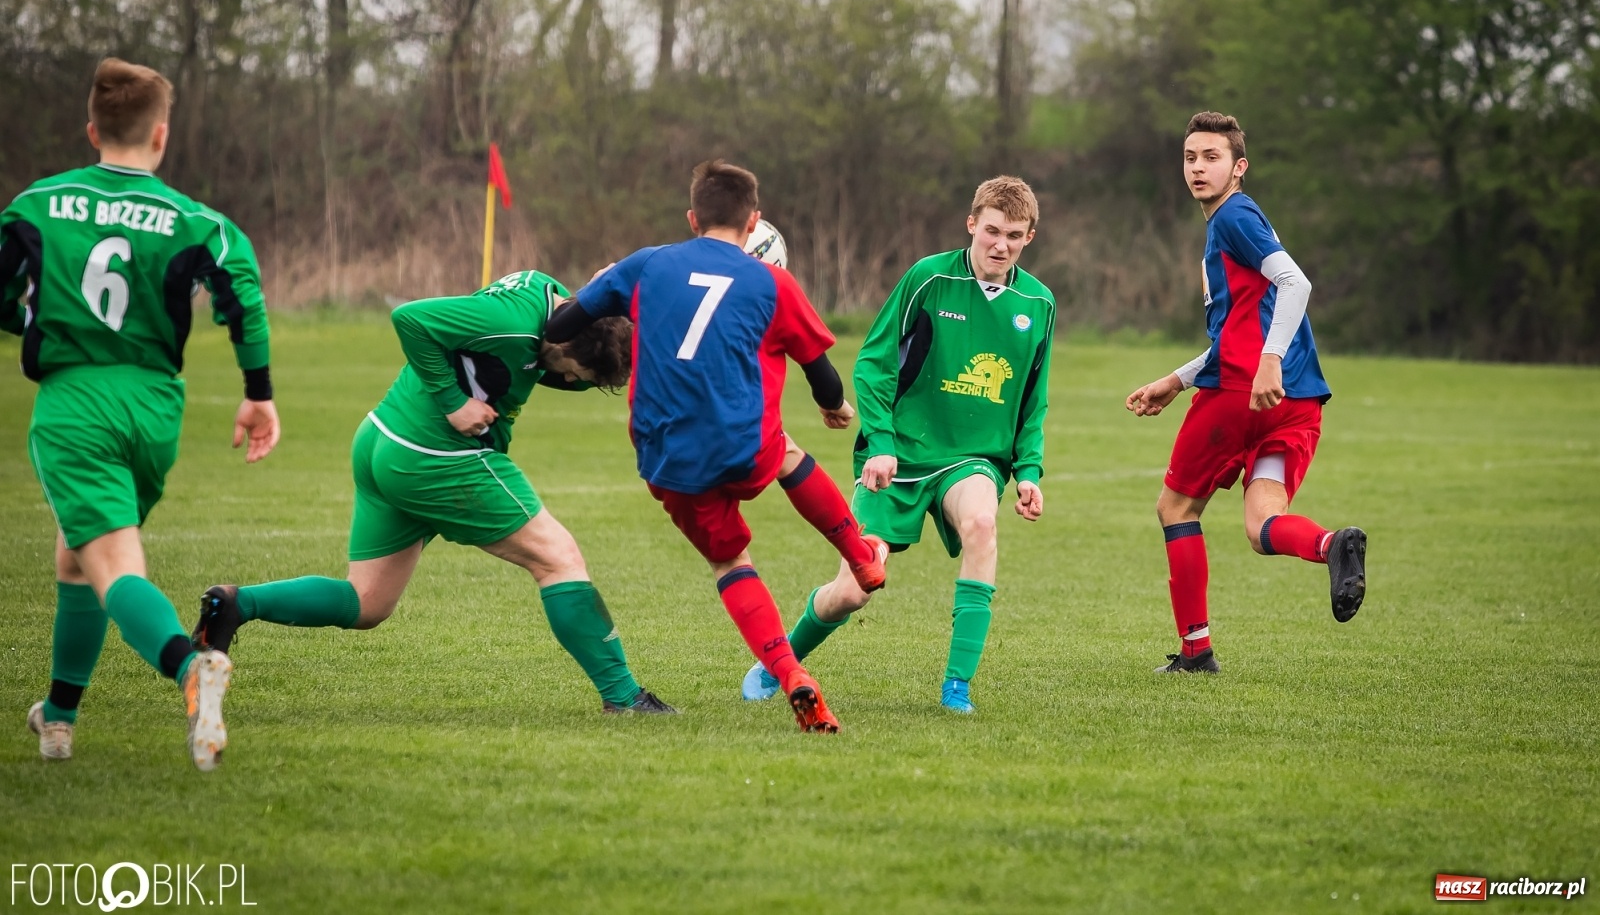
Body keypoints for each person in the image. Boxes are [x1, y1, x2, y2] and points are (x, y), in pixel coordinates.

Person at [192, 271, 675, 715]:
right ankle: (624, 697)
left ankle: (235, 604)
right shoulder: (510, 322)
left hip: (384, 438)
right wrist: (453, 404)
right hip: (433, 455)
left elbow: (529, 356)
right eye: (575, 372)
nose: (569, 380)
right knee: (559, 558)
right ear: (565, 339)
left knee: (367, 603)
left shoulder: (550, 301)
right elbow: (411, 318)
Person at [1, 58, 279, 769]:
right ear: (161, 135)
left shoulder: (36, 203)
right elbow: (239, 288)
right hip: (156, 407)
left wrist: (30, 319)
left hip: (77, 403)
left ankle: (192, 666)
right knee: (76, 554)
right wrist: (257, 390)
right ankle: (58, 718)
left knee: (114, 562)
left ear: (92, 130)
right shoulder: (195, 219)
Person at [545, 159, 888, 734]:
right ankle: (861, 558)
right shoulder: (772, 282)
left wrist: (602, 288)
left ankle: (791, 676)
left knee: (730, 560)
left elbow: (560, 328)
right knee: (787, 454)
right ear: (754, 223)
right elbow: (822, 375)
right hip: (744, 447)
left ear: (691, 217)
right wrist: (835, 407)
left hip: (666, 459)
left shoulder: (648, 264)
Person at [740, 176, 1055, 714]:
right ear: (972, 224)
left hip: (973, 458)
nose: (1001, 245)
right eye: (993, 231)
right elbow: (875, 364)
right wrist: (881, 442)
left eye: (1016, 236)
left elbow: (1033, 396)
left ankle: (957, 687)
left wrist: (1028, 470)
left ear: (1029, 238)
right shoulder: (927, 280)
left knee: (982, 523)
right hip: (899, 456)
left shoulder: (1038, 303)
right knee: (855, 589)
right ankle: (782, 662)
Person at [1124, 110, 1366, 674]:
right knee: (1262, 526)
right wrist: (1177, 380)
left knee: (1177, 507)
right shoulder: (1241, 221)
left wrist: (1267, 362)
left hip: (1244, 395)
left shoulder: (1232, 218)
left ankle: (1195, 652)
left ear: (1239, 167)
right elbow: (1242, 327)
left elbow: (1296, 282)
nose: (1198, 168)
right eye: (1190, 157)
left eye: (1211, 157)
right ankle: (1333, 546)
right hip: (1296, 404)